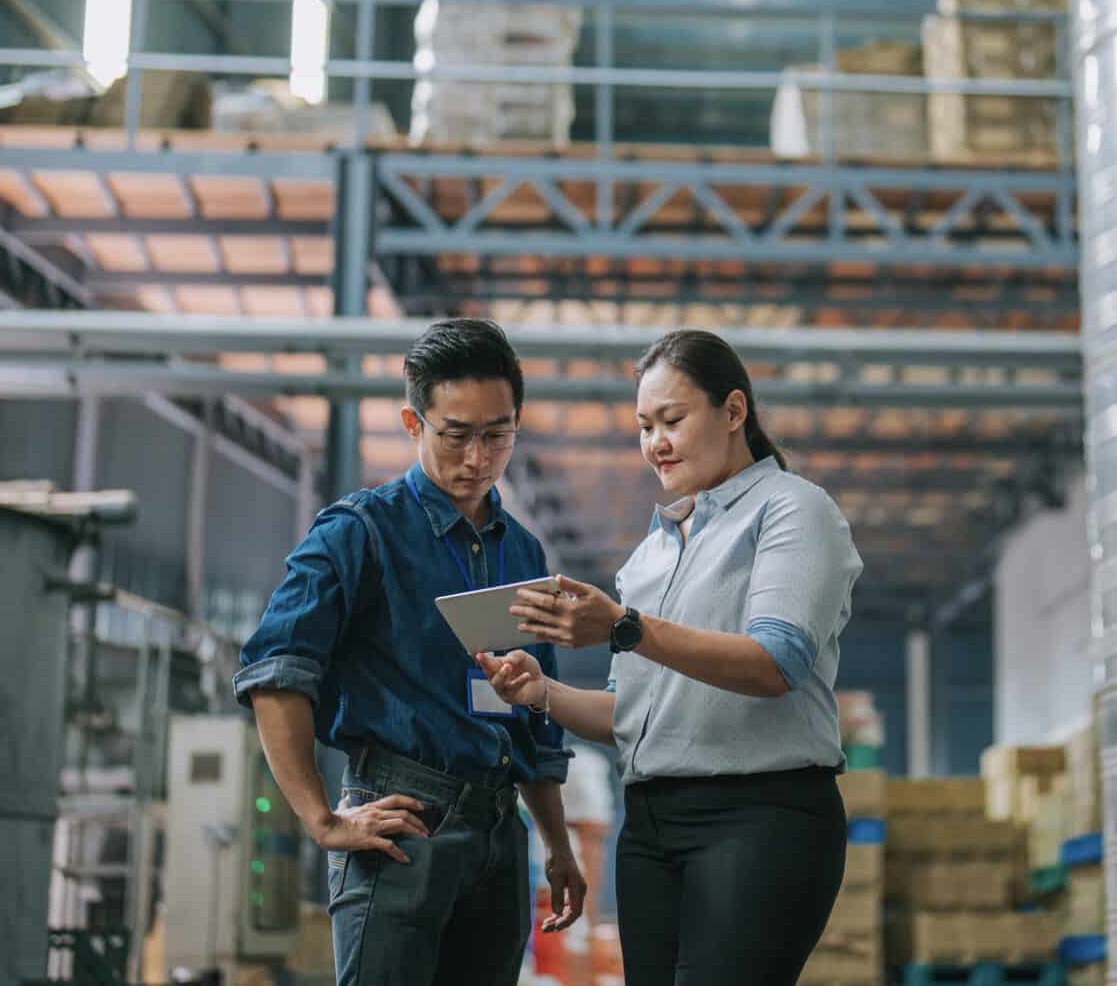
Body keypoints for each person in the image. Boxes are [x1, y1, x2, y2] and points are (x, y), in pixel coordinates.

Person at [478, 328, 864, 986]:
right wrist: (542, 692)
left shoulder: (793, 511)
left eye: (672, 419)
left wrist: (624, 626)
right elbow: (636, 713)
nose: (655, 441)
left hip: (759, 816)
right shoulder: (650, 557)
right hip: (651, 826)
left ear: (734, 411)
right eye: (643, 424)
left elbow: (776, 663)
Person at [234, 318, 586, 986]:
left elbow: (537, 721)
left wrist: (558, 845)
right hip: (400, 826)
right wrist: (321, 817)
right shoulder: (359, 532)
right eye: (456, 435)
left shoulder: (524, 553)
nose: (477, 457)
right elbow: (276, 672)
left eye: (497, 434)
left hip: (498, 835)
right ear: (413, 421)